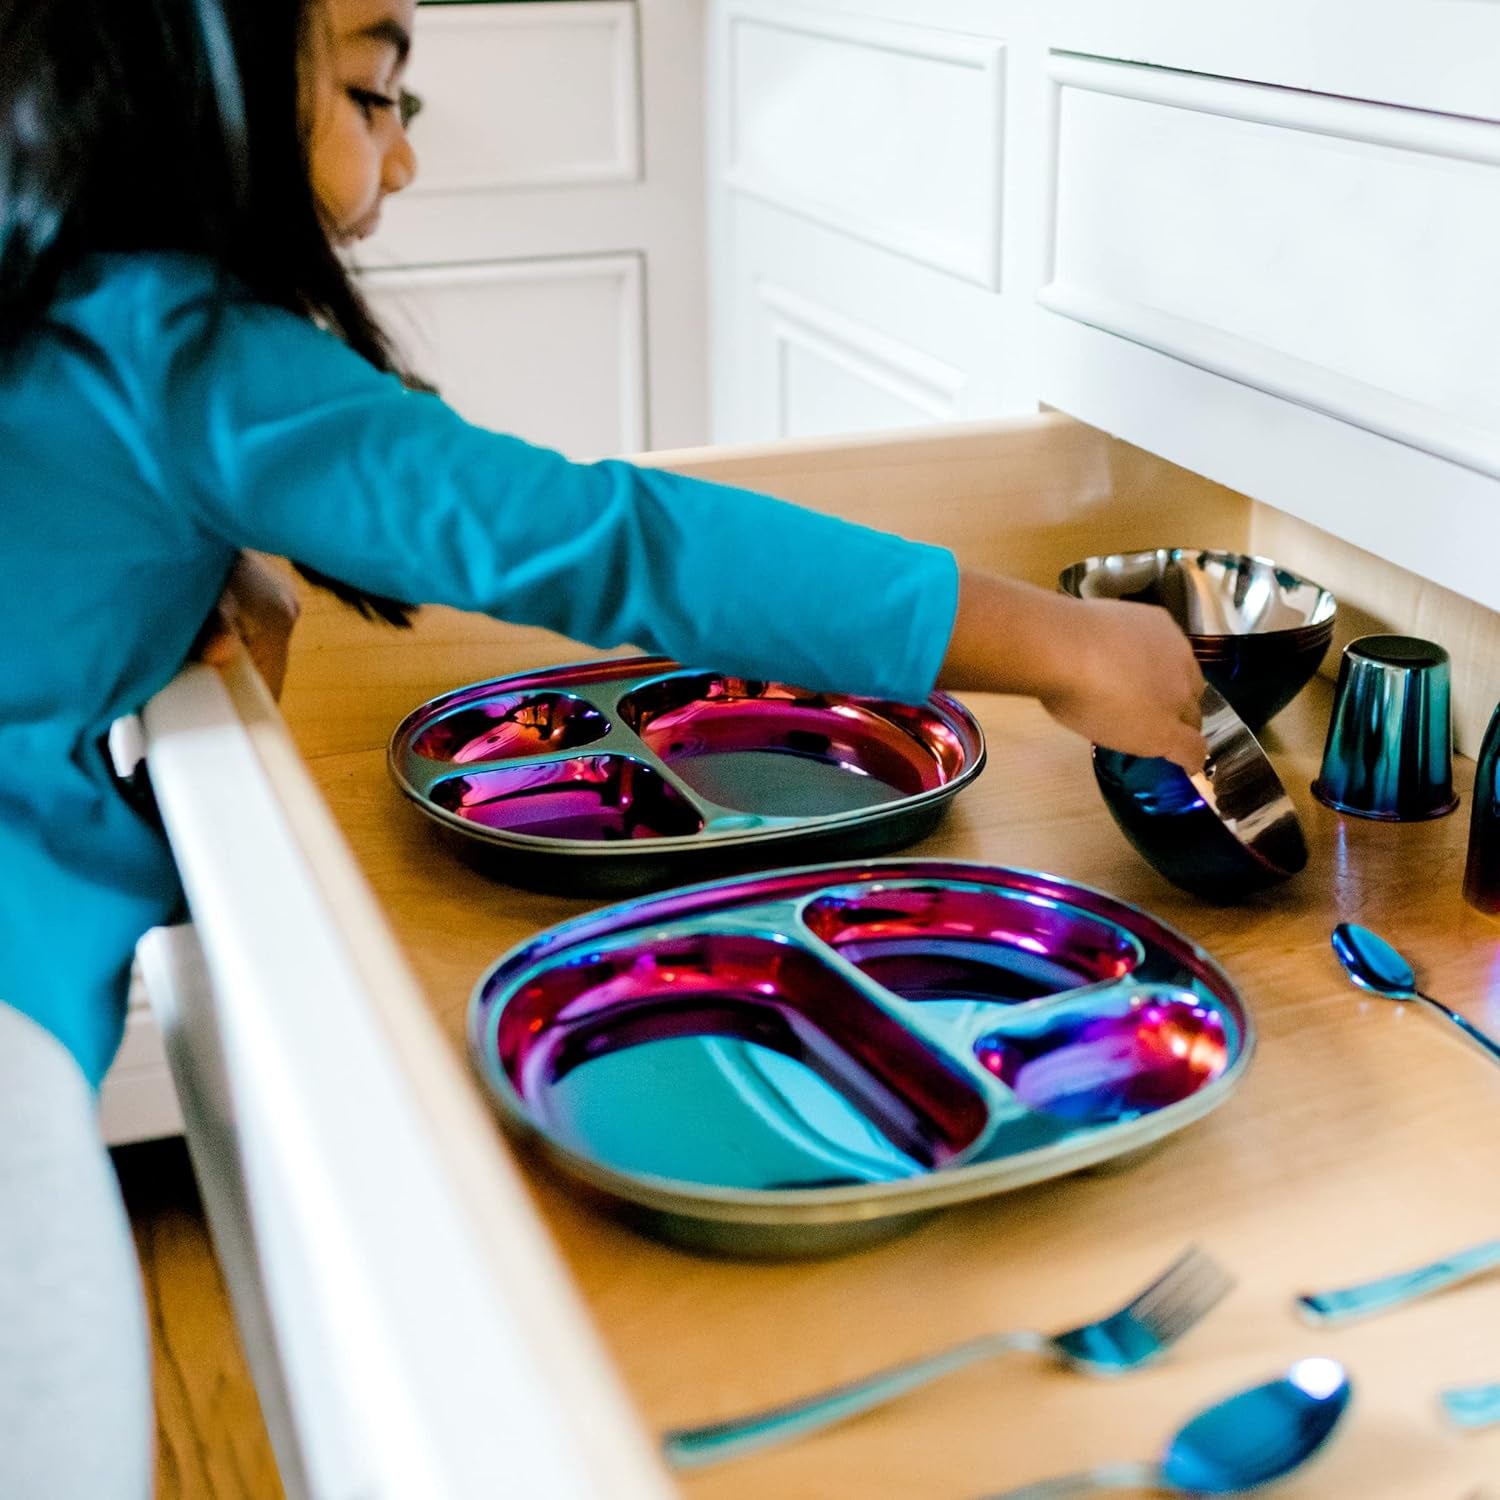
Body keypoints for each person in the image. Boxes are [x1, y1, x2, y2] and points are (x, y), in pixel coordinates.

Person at [0, 0, 1206, 1494]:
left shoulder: (63, 301)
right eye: (379, 92)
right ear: (207, 77)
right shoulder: (176, 351)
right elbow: (604, 541)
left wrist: (171, 562)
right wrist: (1064, 644)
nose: (405, 158)